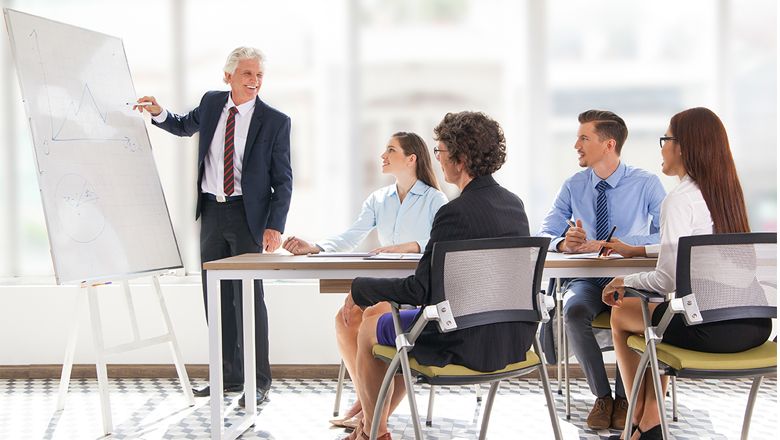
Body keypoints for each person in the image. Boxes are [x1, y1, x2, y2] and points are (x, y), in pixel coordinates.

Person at [339, 111, 533, 440]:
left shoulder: (453, 213)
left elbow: (420, 290)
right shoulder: (514, 205)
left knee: (371, 326)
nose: (438, 160)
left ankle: (375, 432)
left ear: (460, 159)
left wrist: (360, 289)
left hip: (464, 341)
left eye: (441, 152)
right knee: (385, 319)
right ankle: (367, 428)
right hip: (513, 339)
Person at [134, 46, 292, 407]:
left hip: (248, 217)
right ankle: (228, 376)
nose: (254, 81)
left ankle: (259, 381)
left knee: (248, 300)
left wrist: (274, 226)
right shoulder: (210, 103)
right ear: (229, 77)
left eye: (259, 76)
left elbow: (283, 180)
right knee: (216, 298)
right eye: (247, 74)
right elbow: (182, 125)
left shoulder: (275, 120)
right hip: (210, 212)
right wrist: (158, 112)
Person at [601, 107, 772, 440]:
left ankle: (640, 417)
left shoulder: (679, 199)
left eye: (665, 138)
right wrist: (637, 251)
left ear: (683, 146)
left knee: (622, 313)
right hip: (755, 326)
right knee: (658, 317)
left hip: (710, 331)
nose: (662, 147)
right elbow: (694, 250)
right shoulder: (726, 193)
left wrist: (624, 280)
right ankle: (649, 421)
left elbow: (667, 280)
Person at [282, 131, 448, 428]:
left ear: (411, 159)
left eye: (390, 150)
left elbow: (443, 242)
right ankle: (367, 403)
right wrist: (316, 247)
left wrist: (413, 245)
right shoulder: (379, 199)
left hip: (417, 288)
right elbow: (352, 236)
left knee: (373, 316)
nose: (382, 156)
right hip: (385, 284)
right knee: (343, 320)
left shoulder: (435, 199)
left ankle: (370, 418)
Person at [537, 110, 667, 430]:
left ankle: (626, 397)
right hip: (586, 278)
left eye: (584, 138)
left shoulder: (646, 183)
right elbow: (545, 234)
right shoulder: (573, 185)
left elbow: (666, 235)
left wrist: (617, 243)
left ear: (608, 144)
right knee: (574, 311)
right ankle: (603, 397)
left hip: (629, 278)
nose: (576, 145)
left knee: (633, 313)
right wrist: (564, 244)